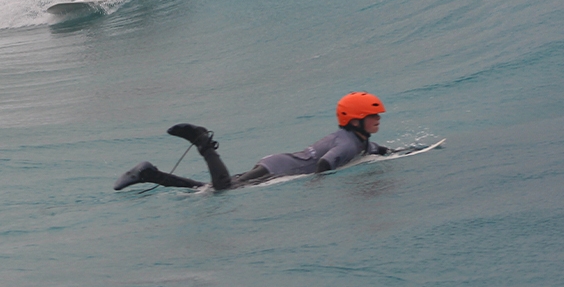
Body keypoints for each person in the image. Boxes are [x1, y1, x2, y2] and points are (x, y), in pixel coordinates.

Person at [114, 92, 391, 191]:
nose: (378, 118)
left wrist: (412, 149)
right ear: (356, 120)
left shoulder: (359, 142)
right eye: (373, 115)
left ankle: (149, 174)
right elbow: (324, 163)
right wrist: (316, 189)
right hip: (281, 170)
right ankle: (202, 141)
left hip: (279, 163)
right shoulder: (348, 144)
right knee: (223, 189)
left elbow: (379, 150)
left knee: (208, 188)